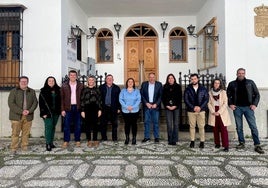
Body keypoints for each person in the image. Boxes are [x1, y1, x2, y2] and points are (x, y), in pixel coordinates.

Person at [227, 68, 264, 154]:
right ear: (236, 74)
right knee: (239, 127)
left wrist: (254, 104)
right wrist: (230, 104)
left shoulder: (250, 82)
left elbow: (257, 94)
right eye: (239, 73)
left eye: (242, 73)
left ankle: (257, 144)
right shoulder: (232, 84)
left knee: (253, 126)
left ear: (245, 74)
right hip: (237, 108)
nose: (241, 74)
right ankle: (241, 142)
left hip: (248, 108)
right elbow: (228, 95)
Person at [8, 76, 38, 153]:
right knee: (15, 133)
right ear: (19, 82)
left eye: (25, 81)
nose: (24, 83)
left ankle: (24, 146)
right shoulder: (13, 91)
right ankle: (14, 147)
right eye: (22, 81)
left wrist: (29, 111)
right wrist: (21, 111)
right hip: (16, 116)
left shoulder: (32, 91)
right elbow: (11, 103)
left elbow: (35, 102)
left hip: (28, 116)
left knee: (26, 133)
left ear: (27, 82)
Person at [184, 73, 209, 148]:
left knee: (201, 126)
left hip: (201, 111)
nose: (193, 80)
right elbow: (186, 100)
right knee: (192, 126)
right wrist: (193, 107)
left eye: (195, 79)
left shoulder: (203, 88)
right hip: (191, 111)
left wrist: (200, 107)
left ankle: (202, 141)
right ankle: (192, 141)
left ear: (197, 79)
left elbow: (206, 99)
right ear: (190, 80)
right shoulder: (188, 89)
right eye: (192, 79)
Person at [61, 70, 84, 148]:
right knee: (66, 125)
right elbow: (62, 99)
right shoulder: (64, 85)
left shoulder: (81, 85)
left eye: (74, 75)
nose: (73, 76)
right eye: (71, 75)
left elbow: (83, 98)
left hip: (78, 107)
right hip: (68, 108)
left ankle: (77, 140)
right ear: (69, 76)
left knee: (78, 125)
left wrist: (83, 109)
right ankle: (66, 141)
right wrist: (62, 109)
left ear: (76, 76)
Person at [208, 79, 231, 152]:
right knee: (215, 129)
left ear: (220, 84)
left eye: (218, 83)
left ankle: (226, 145)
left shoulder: (223, 92)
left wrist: (219, 112)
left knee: (223, 129)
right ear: (213, 84)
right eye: (215, 83)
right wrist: (213, 111)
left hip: (222, 112)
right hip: (213, 112)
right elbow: (208, 103)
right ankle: (217, 143)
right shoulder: (210, 93)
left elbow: (225, 103)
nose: (217, 84)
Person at [39, 76, 61, 151]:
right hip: (47, 112)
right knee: (48, 127)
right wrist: (43, 113)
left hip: (56, 112)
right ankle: (48, 143)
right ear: (47, 82)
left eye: (53, 81)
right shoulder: (43, 91)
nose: (51, 82)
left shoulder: (58, 90)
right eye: (49, 81)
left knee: (53, 127)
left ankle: (51, 142)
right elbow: (41, 103)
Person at [140, 72, 162, 143]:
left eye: (153, 77)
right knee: (147, 122)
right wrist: (146, 103)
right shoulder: (144, 84)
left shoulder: (159, 84)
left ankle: (156, 137)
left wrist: (156, 104)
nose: (152, 78)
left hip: (155, 106)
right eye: (150, 77)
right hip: (147, 106)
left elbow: (160, 95)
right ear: (148, 78)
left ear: (155, 77)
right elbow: (142, 95)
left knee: (155, 122)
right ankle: (147, 137)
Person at [81, 76, 102, 147]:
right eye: (89, 80)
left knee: (95, 125)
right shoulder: (84, 90)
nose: (91, 81)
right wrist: (82, 111)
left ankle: (95, 139)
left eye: (92, 80)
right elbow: (82, 100)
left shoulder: (97, 89)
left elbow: (100, 100)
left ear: (94, 81)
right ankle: (89, 140)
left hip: (95, 108)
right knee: (88, 125)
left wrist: (99, 109)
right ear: (88, 81)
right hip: (87, 108)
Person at [119, 78, 141, 145]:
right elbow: (120, 99)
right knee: (127, 125)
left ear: (134, 83)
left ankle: (134, 138)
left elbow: (138, 100)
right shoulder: (123, 91)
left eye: (132, 82)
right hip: (125, 111)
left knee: (134, 124)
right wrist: (126, 107)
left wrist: (133, 107)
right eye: (129, 82)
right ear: (127, 83)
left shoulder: (137, 91)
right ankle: (127, 138)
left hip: (135, 111)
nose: (130, 83)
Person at [99, 74, 121, 141]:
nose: (109, 79)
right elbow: (99, 99)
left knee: (114, 124)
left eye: (111, 78)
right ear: (105, 80)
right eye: (108, 78)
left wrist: (119, 108)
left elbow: (119, 99)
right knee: (103, 124)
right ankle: (104, 138)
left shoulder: (116, 88)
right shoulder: (101, 87)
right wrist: (99, 109)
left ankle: (114, 138)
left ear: (113, 79)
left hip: (113, 108)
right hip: (104, 108)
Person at [162, 73, 182, 145]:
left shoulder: (178, 86)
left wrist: (175, 105)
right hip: (168, 107)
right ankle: (170, 139)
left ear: (174, 79)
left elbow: (180, 97)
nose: (170, 79)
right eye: (169, 78)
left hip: (176, 107)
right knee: (169, 124)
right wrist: (167, 105)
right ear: (167, 80)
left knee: (176, 124)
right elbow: (163, 98)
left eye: (172, 78)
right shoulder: (165, 87)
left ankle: (175, 139)